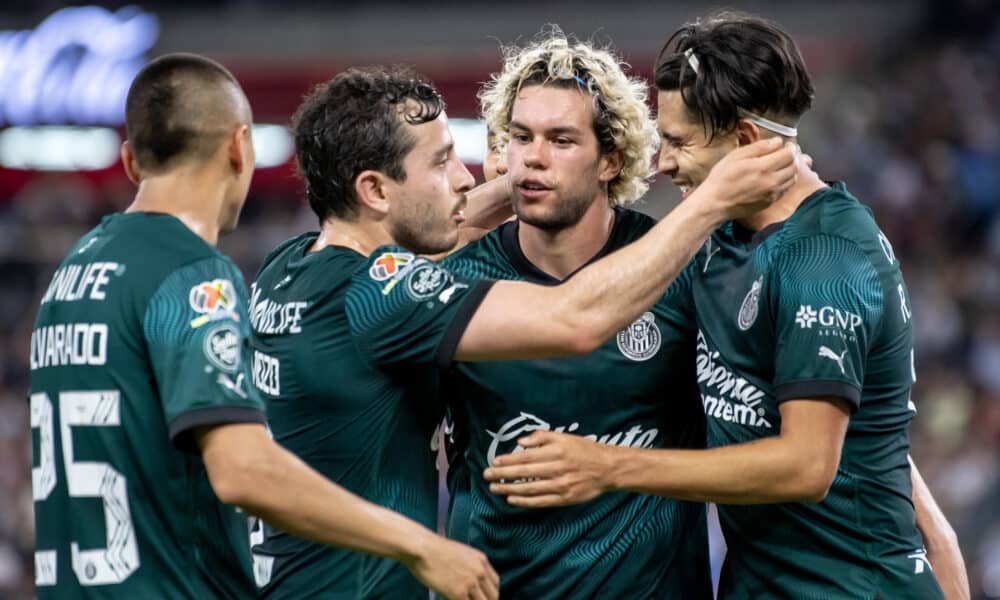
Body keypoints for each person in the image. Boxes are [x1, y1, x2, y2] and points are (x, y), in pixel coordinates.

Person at [248, 64, 798, 597]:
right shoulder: (391, 293)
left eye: (560, 140)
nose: (469, 176)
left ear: (611, 159)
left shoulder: (289, 266)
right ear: (374, 190)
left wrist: (527, 185)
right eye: (442, 163)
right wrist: (712, 201)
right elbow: (575, 319)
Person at [482, 13, 970, 599]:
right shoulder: (723, 244)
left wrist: (605, 466)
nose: (662, 163)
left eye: (680, 142)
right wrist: (511, 186)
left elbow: (807, 465)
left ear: (744, 142)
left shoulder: (826, 260)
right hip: (758, 584)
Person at [27, 53, 499, 600]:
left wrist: (498, 198)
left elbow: (403, 261)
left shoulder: (76, 271)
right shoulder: (192, 277)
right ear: (240, 147)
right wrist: (420, 545)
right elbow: (243, 472)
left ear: (132, 162)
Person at [438, 31, 712, 597]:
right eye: (520, 137)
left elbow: (777, 415)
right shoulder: (451, 279)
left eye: (561, 140)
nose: (533, 157)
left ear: (611, 159)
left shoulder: (681, 271)